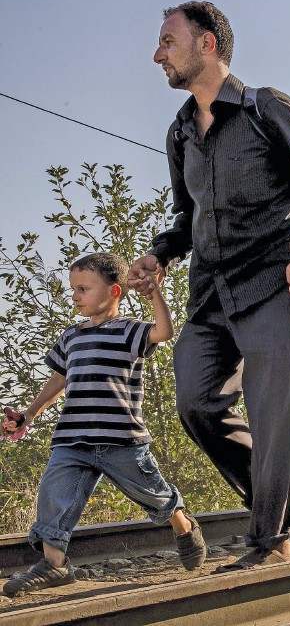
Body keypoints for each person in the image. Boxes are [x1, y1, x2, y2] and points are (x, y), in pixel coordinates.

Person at [131, 2, 290, 571]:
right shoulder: (180, 132)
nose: (157, 54)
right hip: (210, 292)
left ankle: (271, 542)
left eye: (167, 41)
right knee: (196, 403)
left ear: (206, 44)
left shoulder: (267, 108)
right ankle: (285, 496)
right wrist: (158, 255)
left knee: (271, 410)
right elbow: (188, 217)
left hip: (273, 282)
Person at [1, 253, 206, 597]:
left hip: (121, 440)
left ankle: (183, 525)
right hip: (72, 438)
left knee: (154, 495)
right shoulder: (70, 336)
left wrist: (154, 293)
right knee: (53, 495)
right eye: (73, 289)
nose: (75, 296)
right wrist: (30, 413)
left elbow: (165, 331)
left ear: (114, 292)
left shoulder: (129, 331)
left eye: (83, 288)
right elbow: (58, 380)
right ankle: (54, 565)